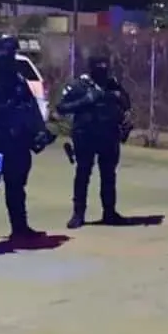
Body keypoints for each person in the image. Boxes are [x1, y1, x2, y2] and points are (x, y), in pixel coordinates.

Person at [0, 35, 54, 251]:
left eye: (11, 54)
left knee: (16, 187)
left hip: (16, 143)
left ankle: (20, 228)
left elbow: (30, 107)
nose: (9, 58)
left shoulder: (17, 80)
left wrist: (39, 132)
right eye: (5, 53)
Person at [56, 55, 132, 228]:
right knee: (83, 174)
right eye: (99, 69)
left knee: (109, 176)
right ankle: (78, 214)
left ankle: (109, 212)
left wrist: (123, 114)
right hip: (85, 136)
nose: (102, 73)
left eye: (105, 69)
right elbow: (61, 107)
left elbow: (126, 104)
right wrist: (86, 100)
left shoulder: (113, 85)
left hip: (108, 135)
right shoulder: (79, 85)